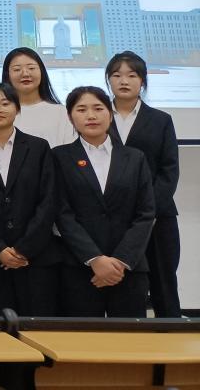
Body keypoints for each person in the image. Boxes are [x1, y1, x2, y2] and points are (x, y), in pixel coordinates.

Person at [53, 86, 155, 318]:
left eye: (98, 108)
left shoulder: (135, 157)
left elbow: (146, 214)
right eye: (81, 109)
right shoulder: (59, 157)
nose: (91, 115)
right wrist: (95, 259)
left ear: (110, 114)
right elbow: (62, 213)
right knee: (83, 338)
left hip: (128, 268)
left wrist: (120, 261)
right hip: (80, 268)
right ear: (70, 117)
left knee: (130, 338)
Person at [0, 83, 62, 316]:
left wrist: (23, 249)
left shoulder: (38, 147)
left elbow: (48, 201)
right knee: (0, 328)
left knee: (40, 325)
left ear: (17, 108)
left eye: (5, 103)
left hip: (37, 258)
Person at [106, 51, 181, 317]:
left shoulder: (161, 120)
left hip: (158, 218)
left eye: (132, 75)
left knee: (163, 283)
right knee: (122, 288)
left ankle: (170, 337)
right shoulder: (97, 116)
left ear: (143, 80)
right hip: (113, 219)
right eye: (116, 75)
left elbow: (169, 170)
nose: (124, 81)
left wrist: (148, 211)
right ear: (108, 80)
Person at [1, 47, 75, 148]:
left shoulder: (62, 113)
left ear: (41, 72)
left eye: (31, 68)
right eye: (17, 69)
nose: (25, 74)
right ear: (7, 75)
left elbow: (70, 151)